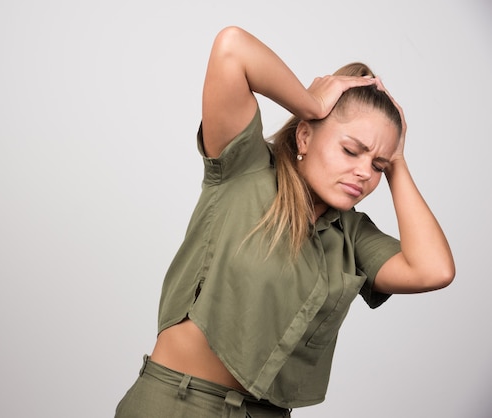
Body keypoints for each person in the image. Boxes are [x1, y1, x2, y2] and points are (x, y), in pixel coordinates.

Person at [115, 26, 455, 418]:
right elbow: (232, 48)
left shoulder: (353, 235)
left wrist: (396, 162)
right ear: (305, 137)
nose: (365, 172)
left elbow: (434, 269)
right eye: (350, 150)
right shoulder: (245, 168)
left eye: (376, 165)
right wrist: (312, 102)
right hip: (176, 404)